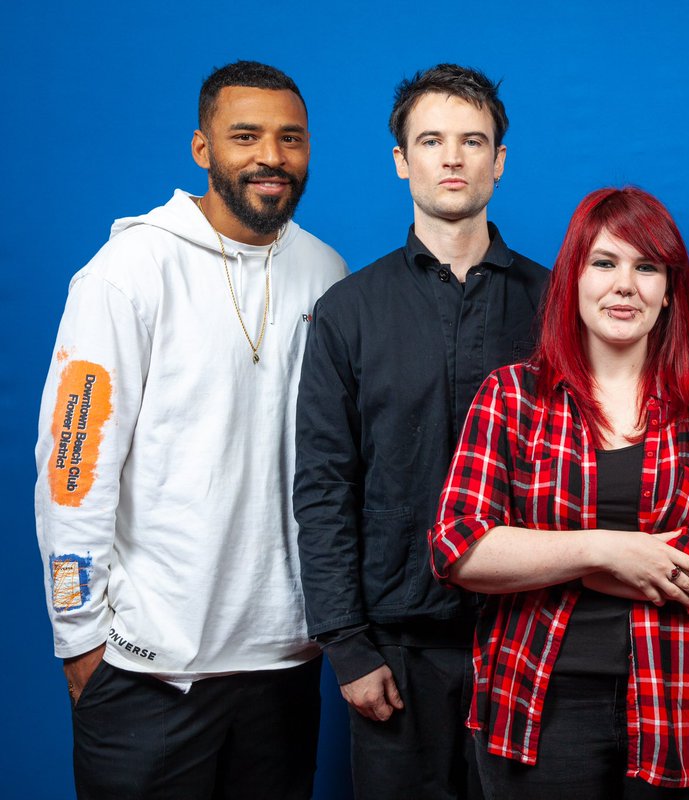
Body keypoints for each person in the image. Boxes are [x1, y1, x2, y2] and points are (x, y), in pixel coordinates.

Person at [33, 60, 346, 798]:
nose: (271, 155)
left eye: (290, 138)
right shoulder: (127, 271)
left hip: (284, 662)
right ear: (203, 149)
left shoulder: (328, 273)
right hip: (150, 668)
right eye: (246, 136)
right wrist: (80, 639)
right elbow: (73, 464)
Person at [429, 187, 689, 799]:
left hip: (687, 704)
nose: (624, 285)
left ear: (668, 288)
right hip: (538, 702)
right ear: (574, 277)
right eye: (604, 263)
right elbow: (460, 545)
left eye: (646, 267)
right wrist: (606, 552)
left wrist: (539, 557)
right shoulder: (511, 397)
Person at [293, 64, 549, 799]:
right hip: (395, 648)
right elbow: (323, 484)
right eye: (431, 140)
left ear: (498, 161)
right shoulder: (348, 310)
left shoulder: (555, 301)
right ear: (402, 160)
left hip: (528, 635)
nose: (453, 157)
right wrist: (345, 644)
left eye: (474, 141)